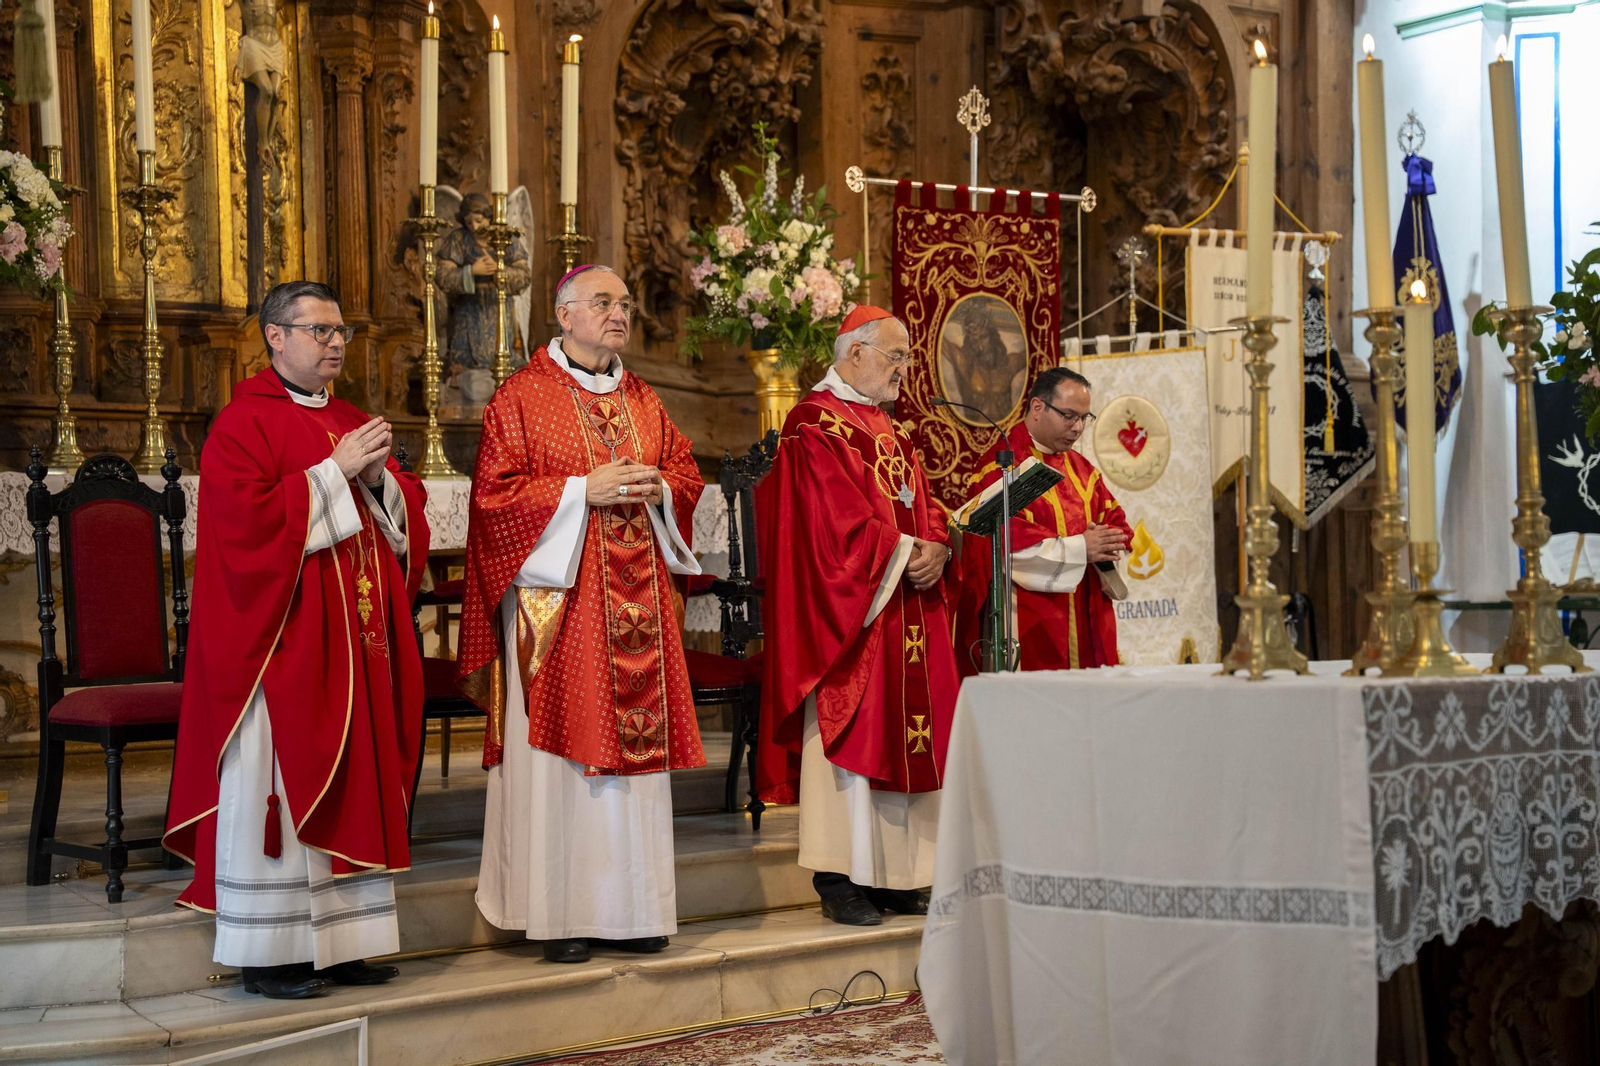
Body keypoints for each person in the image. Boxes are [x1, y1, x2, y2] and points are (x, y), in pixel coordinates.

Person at [164, 281, 430, 999]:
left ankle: (347, 944)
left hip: (355, 647)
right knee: (279, 783)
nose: (336, 342)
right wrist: (334, 473)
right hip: (279, 645)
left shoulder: (350, 418)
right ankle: (270, 953)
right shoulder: (241, 424)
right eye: (320, 330)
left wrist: (379, 481)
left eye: (341, 330)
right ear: (275, 337)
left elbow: (405, 511)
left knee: (353, 781)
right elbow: (244, 525)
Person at [456, 264, 705, 964]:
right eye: (603, 302)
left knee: (633, 769)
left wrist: (660, 488)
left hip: (638, 607)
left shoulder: (644, 398)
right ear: (564, 314)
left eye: (624, 302)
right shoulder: (522, 396)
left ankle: (634, 911)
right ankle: (558, 915)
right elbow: (492, 500)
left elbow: (686, 474)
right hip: (558, 609)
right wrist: (577, 493)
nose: (619, 312)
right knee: (558, 764)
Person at [754, 305, 958, 927]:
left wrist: (937, 545)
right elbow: (830, 522)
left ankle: (896, 876)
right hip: (850, 614)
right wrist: (905, 551)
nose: (903, 370)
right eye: (895, 357)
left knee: (906, 736)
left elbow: (922, 501)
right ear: (856, 353)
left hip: (905, 601)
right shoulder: (813, 424)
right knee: (851, 734)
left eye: (906, 358)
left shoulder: (890, 427)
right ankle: (838, 875)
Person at [954, 366, 1132, 674]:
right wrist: (1081, 549)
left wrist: (1106, 543)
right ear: (1037, 407)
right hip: (1029, 621)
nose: (1078, 427)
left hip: (1087, 618)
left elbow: (1117, 526)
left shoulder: (1083, 471)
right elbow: (1003, 543)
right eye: (1069, 416)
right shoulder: (1002, 467)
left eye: (1084, 418)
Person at [437, 191, 531, 383]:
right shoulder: (458, 239)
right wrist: (471, 271)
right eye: (469, 222)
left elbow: (524, 275)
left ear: (489, 216)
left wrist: (499, 270)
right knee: (466, 371)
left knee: (503, 359)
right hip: (468, 311)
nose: (474, 226)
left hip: (499, 308)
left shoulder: (506, 237)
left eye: (479, 220)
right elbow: (442, 276)